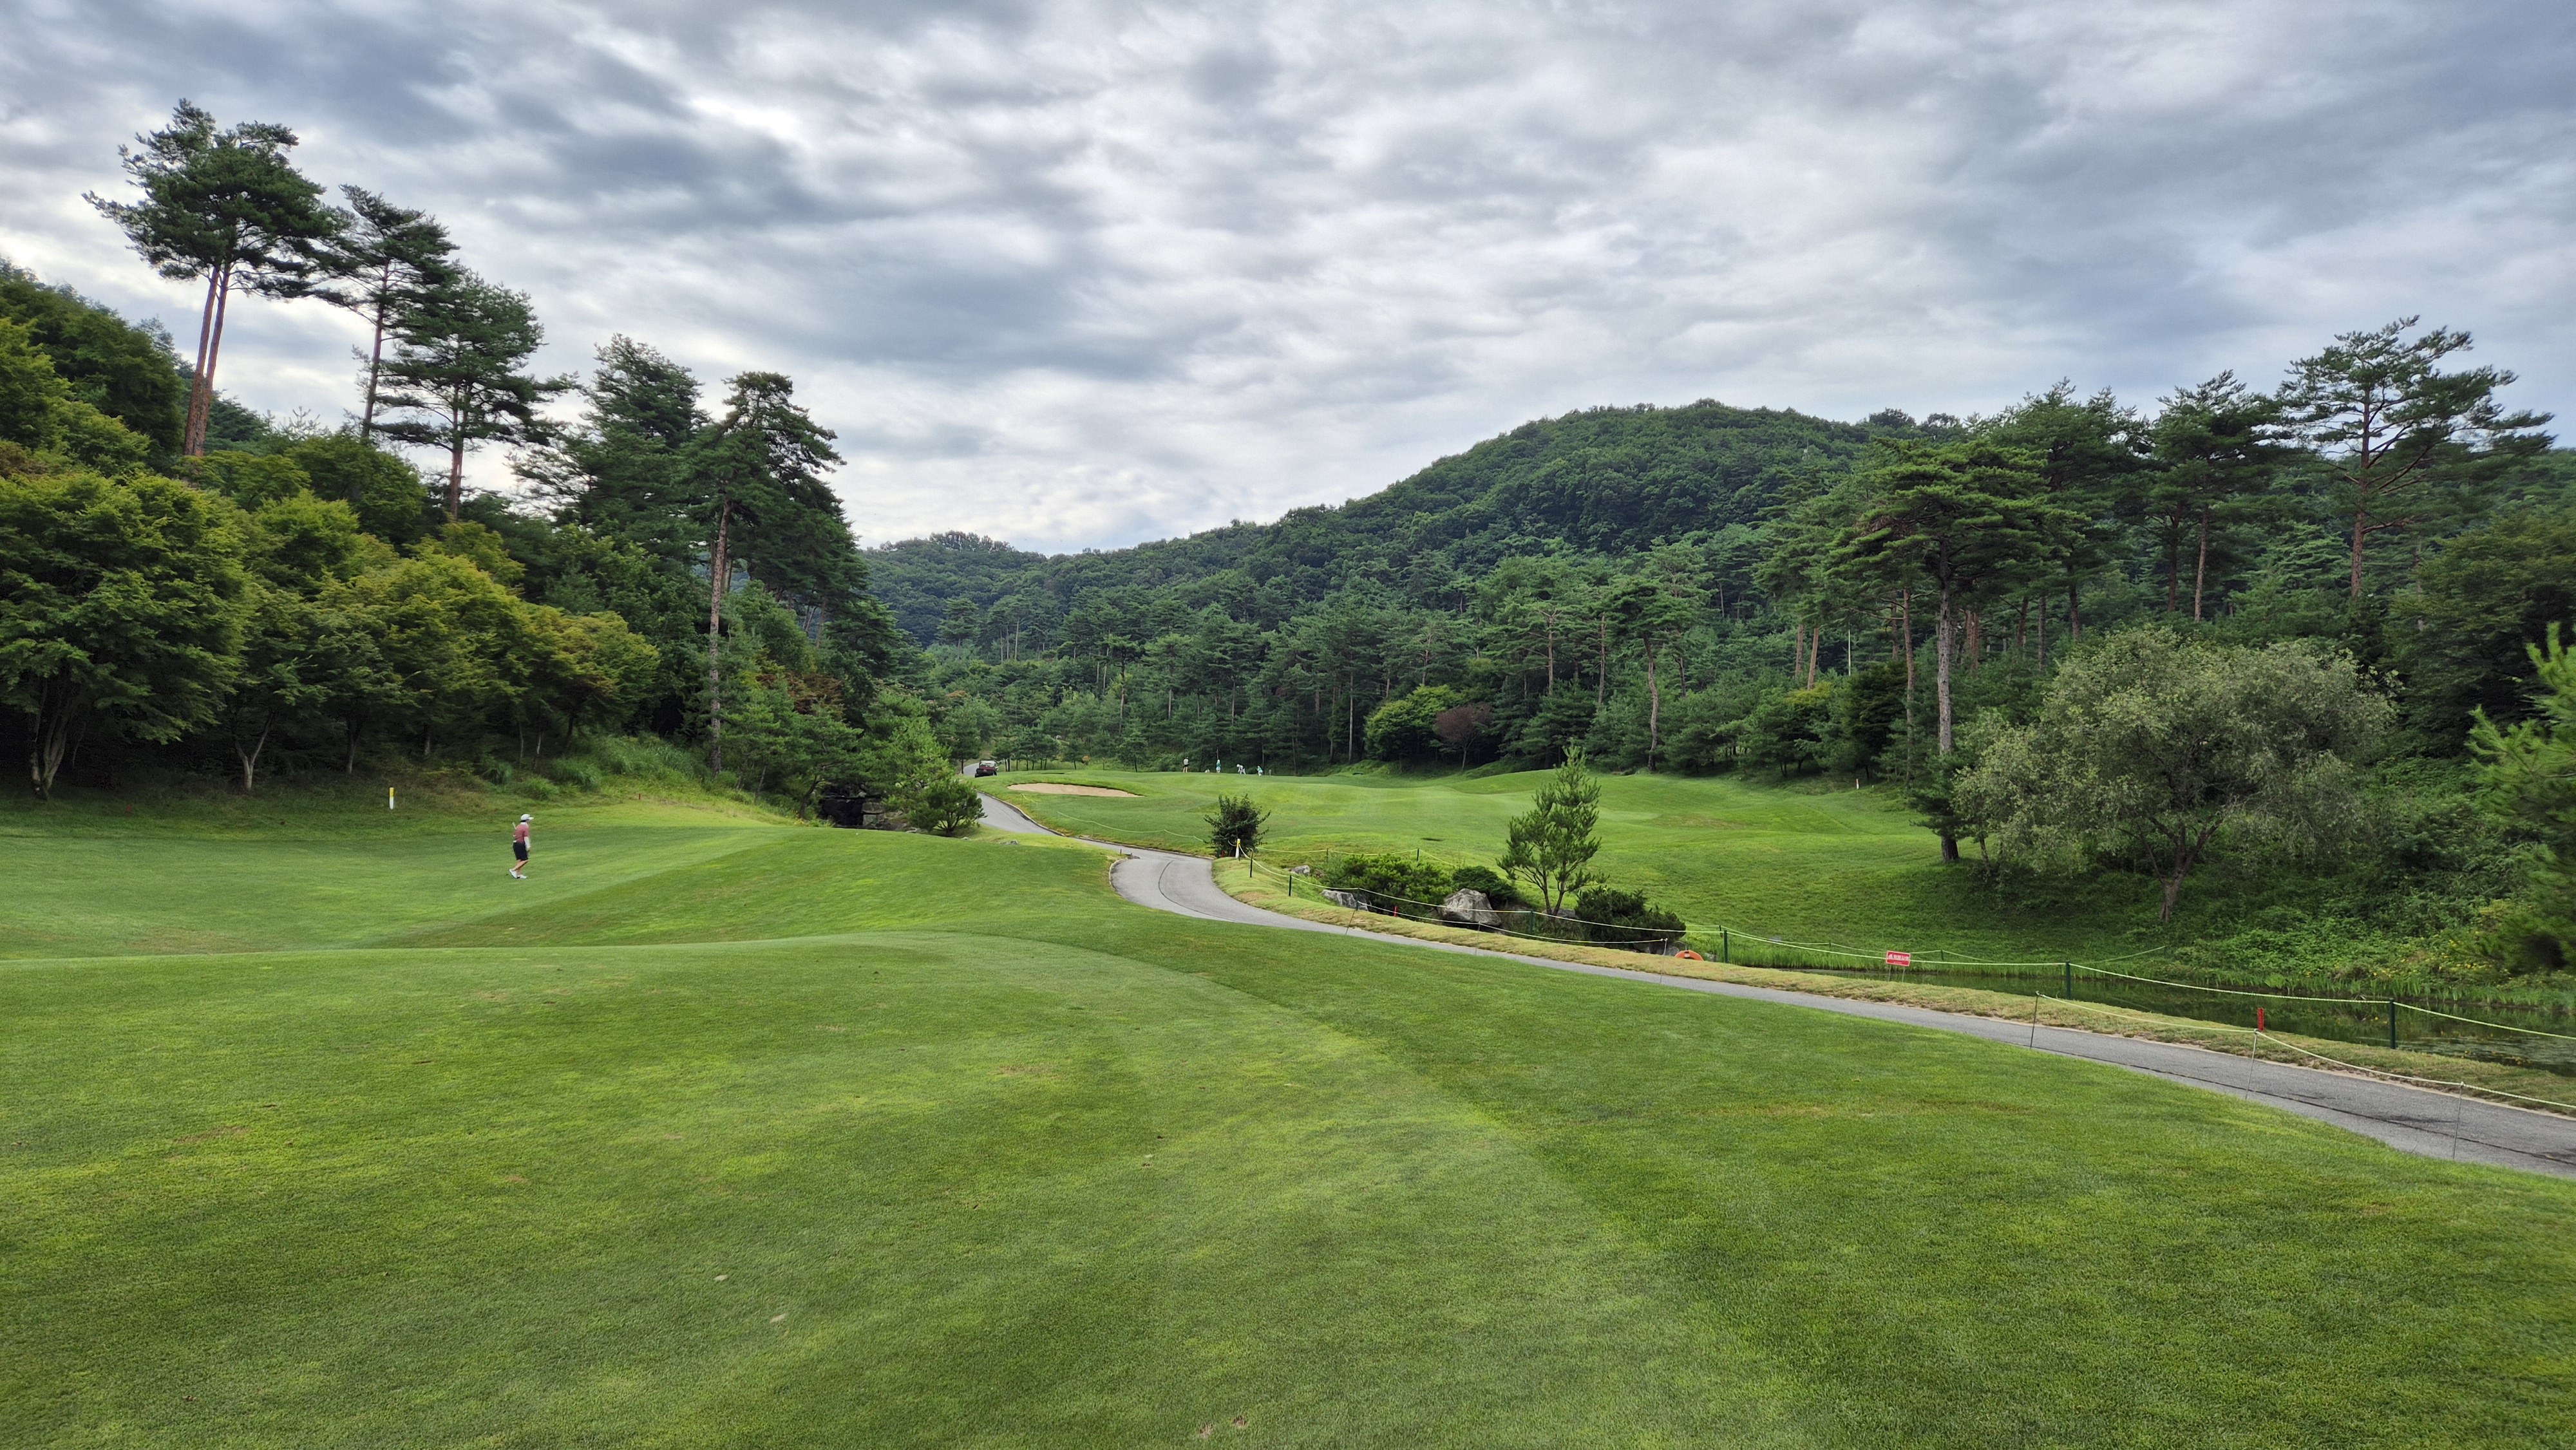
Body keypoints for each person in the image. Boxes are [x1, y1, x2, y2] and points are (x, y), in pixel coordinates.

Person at [510, 813, 532, 878]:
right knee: (525, 860)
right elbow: (526, 837)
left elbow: (514, 835)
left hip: (516, 844)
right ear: (527, 820)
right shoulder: (526, 827)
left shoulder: (518, 827)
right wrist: (528, 846)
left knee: (519, 860)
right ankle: (513, 870)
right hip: (520, 844)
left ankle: (518, 875)